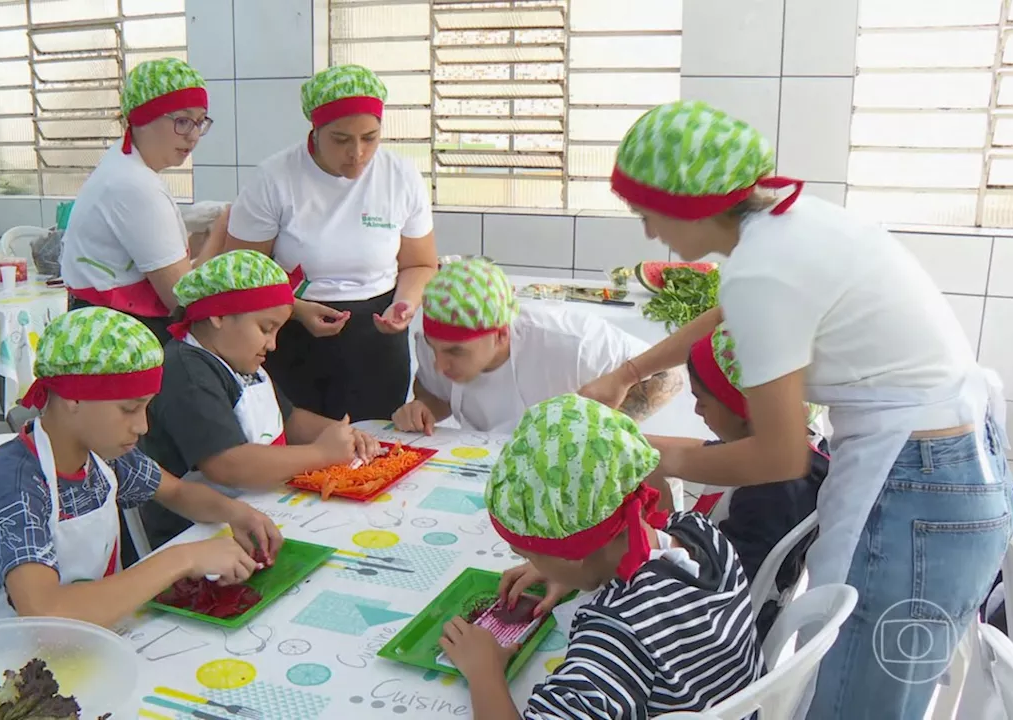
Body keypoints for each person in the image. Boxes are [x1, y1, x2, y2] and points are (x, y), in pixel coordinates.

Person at [581, 100, 1013, 718]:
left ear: (692, 206)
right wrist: (627, 373)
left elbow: (779, 456)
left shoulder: (761, 268)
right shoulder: (790, 223)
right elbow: (731, 311)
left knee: (859, 701)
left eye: (648, 213)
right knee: (883, 685)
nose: (652, 233)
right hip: (962, 464)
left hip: (923, 483)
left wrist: (649, 453)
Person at [440, 394, 760, 719]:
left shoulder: (614, 640)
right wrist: (568, 572)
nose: (532, 564)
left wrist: (485, 673)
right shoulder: (700, 533)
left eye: (533, 555)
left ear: (571, 555)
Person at [0, 307, 282, 627]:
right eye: (129, 409)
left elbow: (176, 491)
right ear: (74, 398)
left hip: (95, 631)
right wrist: (184, 558)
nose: (142, 426)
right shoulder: (18, 483)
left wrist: (236, 513)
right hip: (20, 652)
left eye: (146, 408)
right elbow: (46, 611)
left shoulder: (104, 457)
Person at [221, 64, 437, 421]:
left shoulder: (401, 177)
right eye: (341, 139)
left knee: (377, 454)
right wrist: (294, 308)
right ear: (315, 129)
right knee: (300, 460)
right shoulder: (275, 179)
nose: (358, 153)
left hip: (377, 338)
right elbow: (239, 274)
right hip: (291, 333)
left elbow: (420, 263)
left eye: (370, 137)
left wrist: (405, 304)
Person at [136, 250, 381, 547]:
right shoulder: (188, 371)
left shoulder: (237, 359)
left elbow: (289, 419)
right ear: (219, 315)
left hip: (257, 511)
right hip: (199, 535)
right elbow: (227, 464)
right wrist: (322, 454)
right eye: (265, 328)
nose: (273, 344)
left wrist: (345, 436)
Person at [648, 323, 830, 638]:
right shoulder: (794, 442)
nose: (696, 410)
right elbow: (703, 452)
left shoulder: (771, 492)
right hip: (734, 604)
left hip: (718, 631)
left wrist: (660, 516)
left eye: (702, 401)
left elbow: (709, 577)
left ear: (741, 406)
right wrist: (633, 442)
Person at [393, 257, 682, 435]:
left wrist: (593, 434)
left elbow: (668, 376)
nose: (440, 366)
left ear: (501, 335)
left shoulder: (570, 342)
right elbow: (436, 393)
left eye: (456, 351)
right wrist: (422, 409)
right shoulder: (434, 350)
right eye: (435, 348)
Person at [62, 58, 211, 344]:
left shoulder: (124, 165)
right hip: (117, 339)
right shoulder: (134, 185)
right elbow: (183, 302)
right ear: (143, 118)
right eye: (182, 121)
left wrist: (202, 235)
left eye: (200, 121)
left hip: (102, 328)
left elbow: (151, 259)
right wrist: (222, 234)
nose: (193, 136)